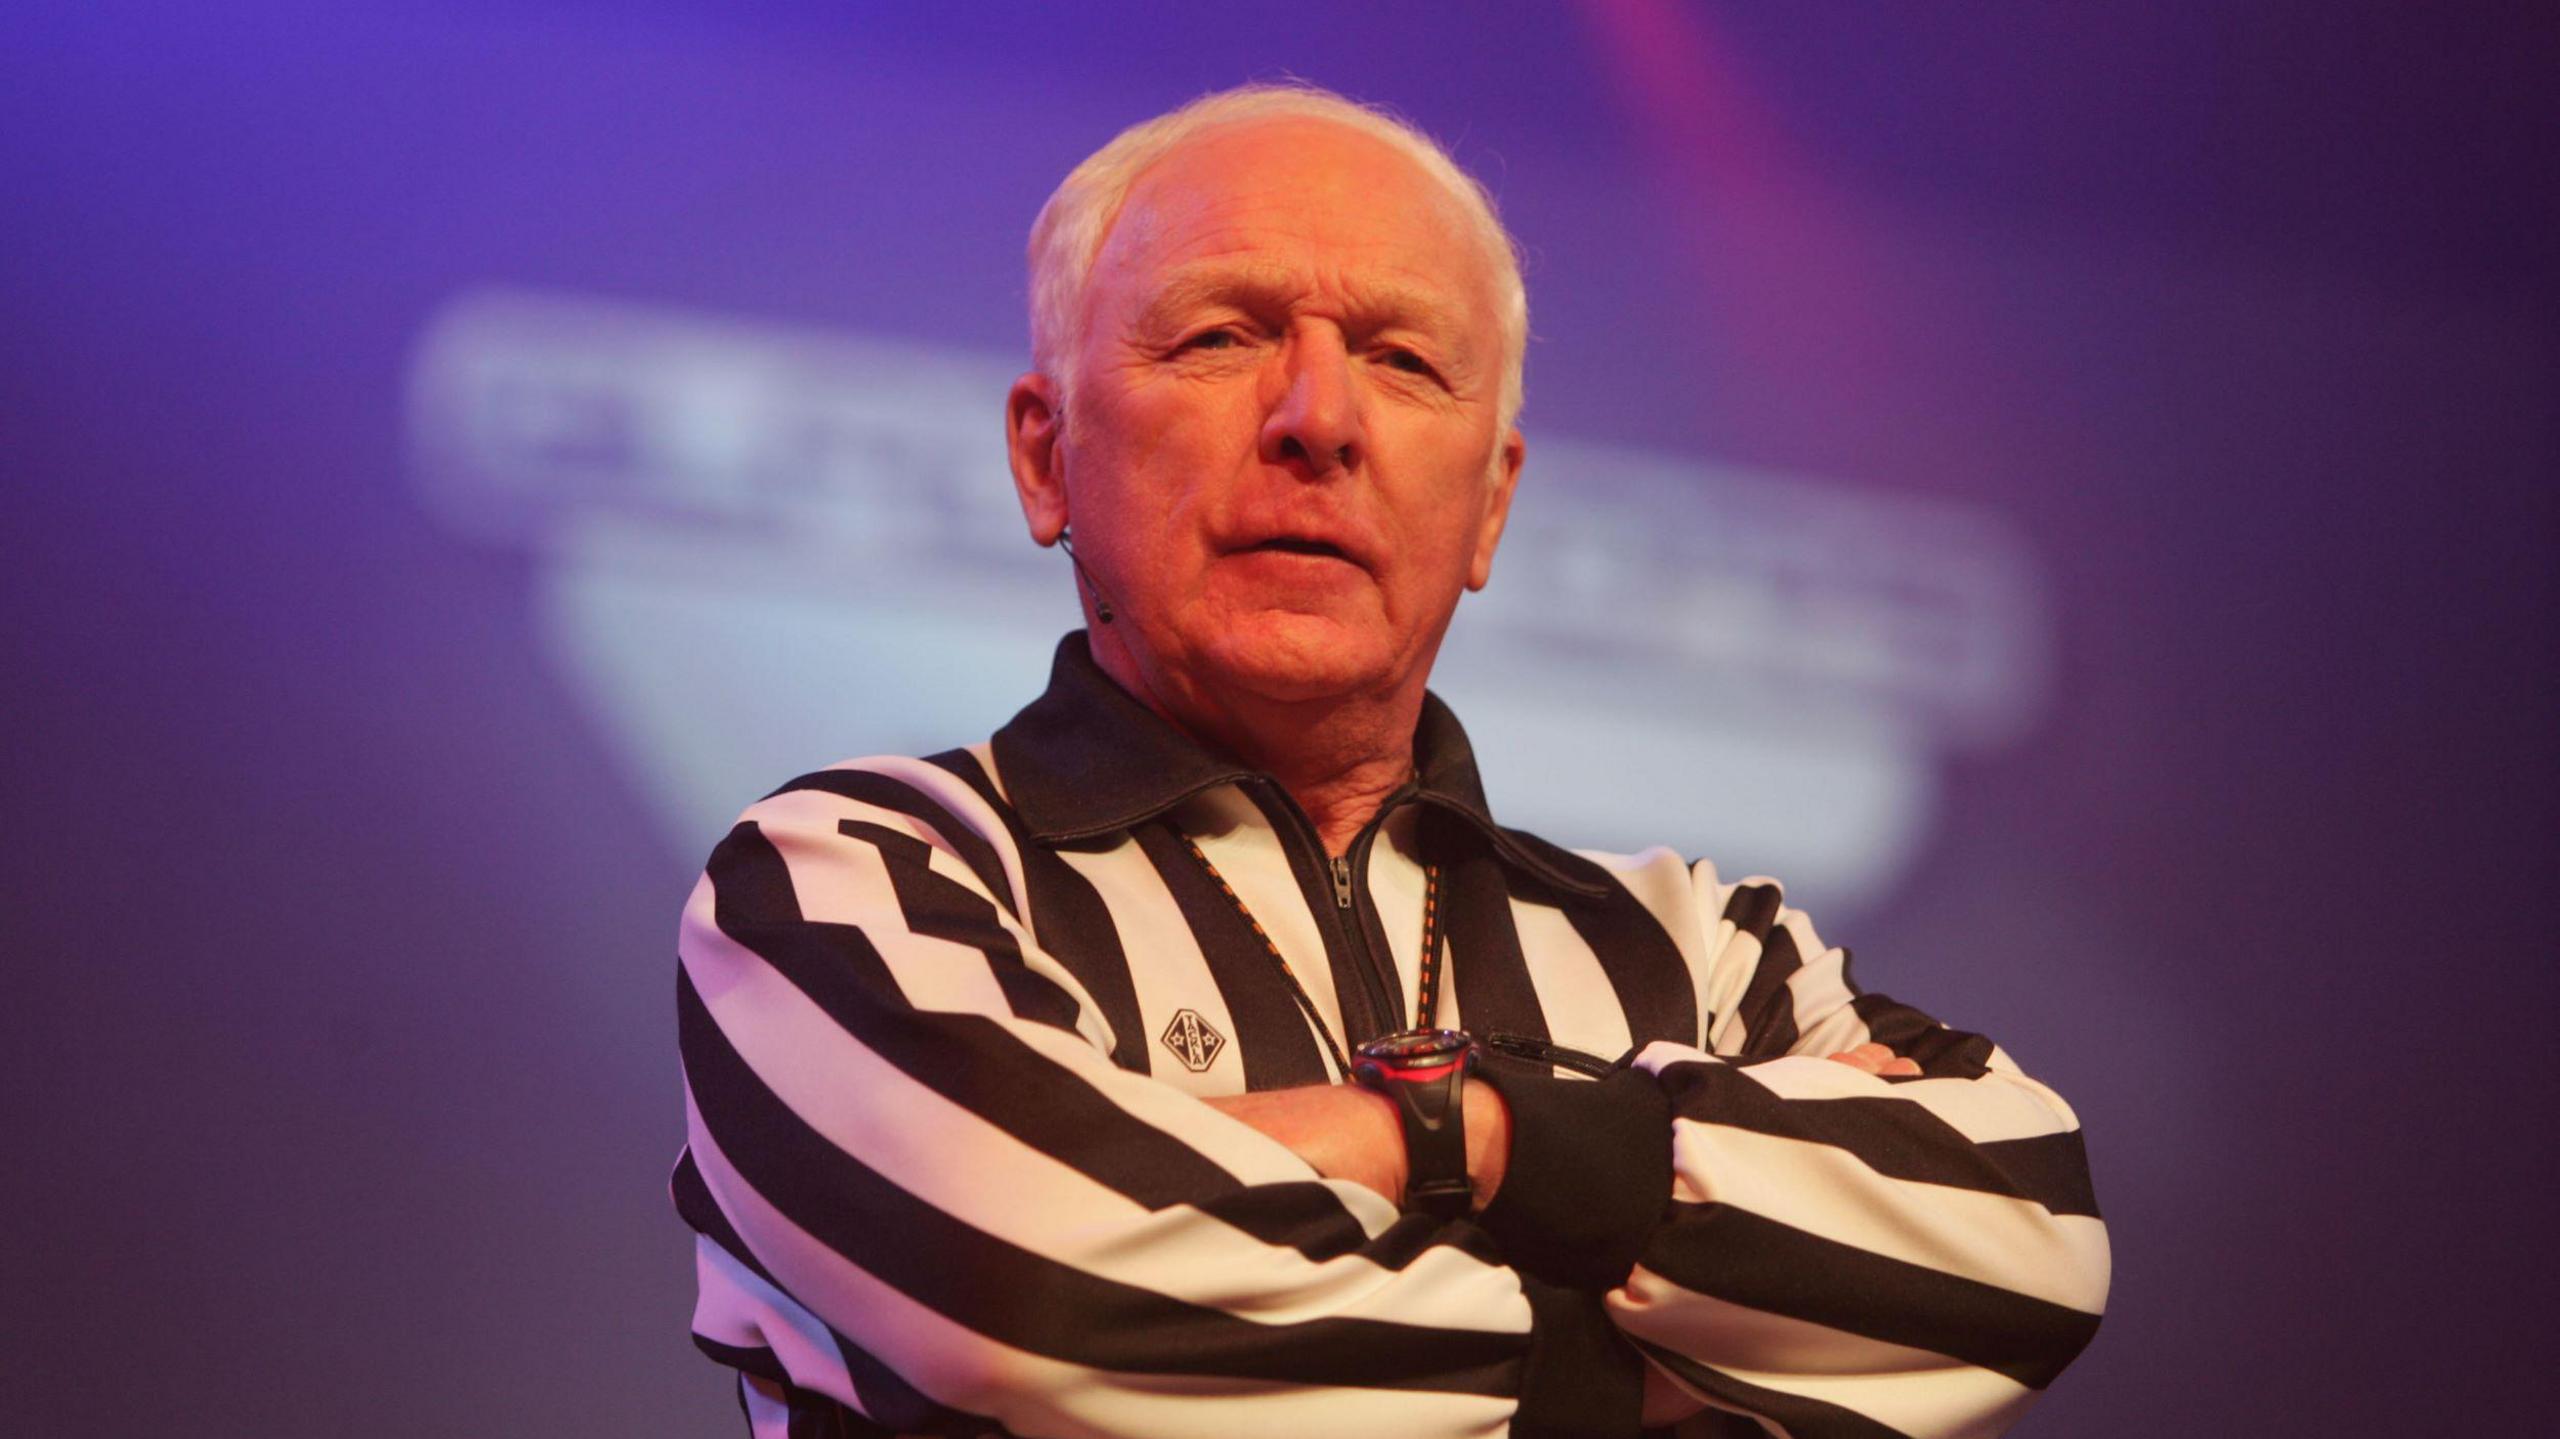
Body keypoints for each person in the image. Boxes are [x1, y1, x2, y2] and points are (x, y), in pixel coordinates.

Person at [672, 83, 2108, 1439]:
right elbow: (1026, 1295)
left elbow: (2027, 1243)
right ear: (1048, 457)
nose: (1319, 419)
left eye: (1406, 360)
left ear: (1491, 506)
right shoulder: (858, 881)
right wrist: (1680, 1355)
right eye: (1220, 337)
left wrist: (1452, 1136)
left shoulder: (1697, 944)